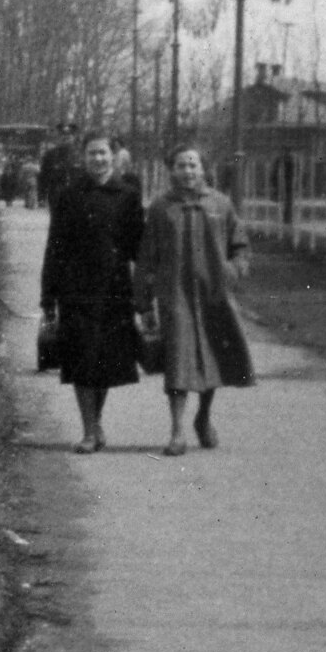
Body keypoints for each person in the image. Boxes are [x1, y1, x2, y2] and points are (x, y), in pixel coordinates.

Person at [139, 144, 254, 455]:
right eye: (180, 165)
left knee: (211, 358)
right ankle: (177, 431)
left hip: (213, 296)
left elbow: (240, 246)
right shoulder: (162, 208)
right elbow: (147, 257)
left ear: (204, 169)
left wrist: (233, 270)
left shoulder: (221, 204)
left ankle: (203, 417)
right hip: (175, 297)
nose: (187, 171)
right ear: (171, 170)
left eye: (193, 165)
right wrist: (144, 302)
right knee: (177, 361)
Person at [39, 133, 145, 453]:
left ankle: (96, 422)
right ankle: (88, 430)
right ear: (83, 159)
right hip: (77, 290)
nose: (98, 160)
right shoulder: (69, 195)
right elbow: (54, 248)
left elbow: (137, 247)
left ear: (113, 157)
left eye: (103, 154)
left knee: (106, 361)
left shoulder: (128, 195)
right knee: (82, 358)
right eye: (91, 154)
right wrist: (49, 297)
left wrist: (146, 289)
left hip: (114, 289)